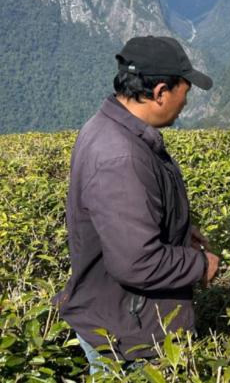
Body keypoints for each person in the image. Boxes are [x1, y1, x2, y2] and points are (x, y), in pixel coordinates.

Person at [54, 36, 220, 371]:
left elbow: (128, 218)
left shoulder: (113, 130)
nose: (185, 102)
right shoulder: (120, 156)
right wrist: (200, 264)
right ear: (160, 92)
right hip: (127, 338)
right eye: (184, 92)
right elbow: (136, 262)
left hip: (122, 317)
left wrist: (179, 231)